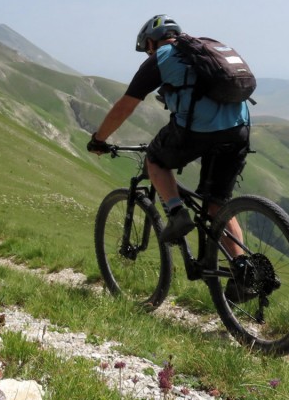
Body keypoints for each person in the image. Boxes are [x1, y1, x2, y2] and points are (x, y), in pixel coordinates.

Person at [87, 15, 253, 300]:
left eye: (147, 48)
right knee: (217, 205)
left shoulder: (161, 57)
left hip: (199, 130)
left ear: (152, 42)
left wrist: (99, 139)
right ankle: (244, 271)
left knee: (155, 158)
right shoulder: (205, 50)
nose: (149, 52)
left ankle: (177, 214)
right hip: (240, 129)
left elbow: (125, 106)